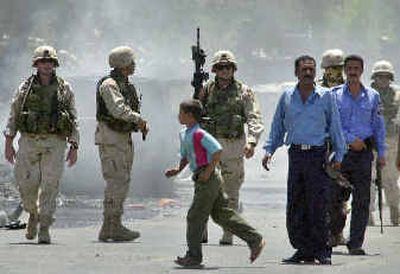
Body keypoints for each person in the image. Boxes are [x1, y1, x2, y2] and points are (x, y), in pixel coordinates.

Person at [262, 55, 345, 265]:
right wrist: (269, 150)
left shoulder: (326, 96)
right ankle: (303, 249)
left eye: (311, 69)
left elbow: (335, 126)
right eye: (304, 70)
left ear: (315, 72)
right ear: (296, 73)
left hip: (317, 156)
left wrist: (339, 155)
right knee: (296, 204)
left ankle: (322, 250)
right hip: (296, 155)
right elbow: (277, 126)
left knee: (318, 204)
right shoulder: (287, 96)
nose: (308, 73)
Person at [165, 99, 265, 267]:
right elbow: (186, 155)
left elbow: (217, 150)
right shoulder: (185, 134)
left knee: (195, 216)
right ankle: (255, 240)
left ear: (189, 116)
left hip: (208, 179)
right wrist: (177, 170)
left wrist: (208, 171)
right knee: (221, 215)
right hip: (202, 177)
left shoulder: (200, 134)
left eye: (181, 113)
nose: (178, 116)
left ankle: (194, 256)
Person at [3, 45, 79, 244]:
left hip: (55, 142)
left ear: (55, 65)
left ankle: (44, 226)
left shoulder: (65, 88)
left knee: (50, 186)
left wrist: (74, 146)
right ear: (36, 64)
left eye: (50, 62)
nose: (47, 65)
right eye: (43, 62)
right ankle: (33, 214)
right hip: (29, 141)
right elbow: (14, 114)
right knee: (26, 184)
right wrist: (8, 142)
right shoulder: (25, 88)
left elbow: (73, 117)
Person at [199, 50, 264, 245]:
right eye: (220, 67)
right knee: (204, 190)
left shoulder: (244, 91)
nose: (224, 71)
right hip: (209, 145)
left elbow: (254, 116)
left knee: (231, 192)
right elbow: (193, 115)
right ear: (214, 70)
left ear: (233, 69)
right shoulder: (205, 89)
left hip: (233, 145)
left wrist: (252, 141)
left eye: (228, 67)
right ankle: (200, 231)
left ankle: (228, 233)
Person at [333, 55, 386, 255]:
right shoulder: (334, 94)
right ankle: (333, 234)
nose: (353, 71)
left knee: (362, 200)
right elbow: (333, 124)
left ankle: (355, 243)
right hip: (340, 154)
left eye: (357, 68)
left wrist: (381, 153)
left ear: (362, 70)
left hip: (364, 155)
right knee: (335, 197)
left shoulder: (373, 96)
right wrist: (349, 139)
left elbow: (378, 126)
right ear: (345, 71)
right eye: (350, 68)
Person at [96, 46, 148, 242]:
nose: (134, 65)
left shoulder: (124, 84)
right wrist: (138, 119)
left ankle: (111, 226)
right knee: (116, 182)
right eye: (131, 61)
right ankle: (111, 226)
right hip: (111, 138)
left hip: (121, 138)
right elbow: (118, 109)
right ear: (123, 64)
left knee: (121, 182)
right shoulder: (109, 85)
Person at [319, 49, 352, 247]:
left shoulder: (351, 89)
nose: (334, 72)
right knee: (323, 193)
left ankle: (337, 232)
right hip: (322, 147)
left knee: (340, 194)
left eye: (338, 68)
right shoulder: (317, 90)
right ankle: (327, 233)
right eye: (330, 68)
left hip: (344, 148)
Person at [369, 60, 400, 226]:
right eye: (379, 76)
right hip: (370, 141)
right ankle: (367, 216)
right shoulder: (365, 93)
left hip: (391, 141)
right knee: (369, 179)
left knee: (391, 179)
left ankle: (395, 213)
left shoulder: (397, 94)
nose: (382, 79)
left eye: (386, 76)